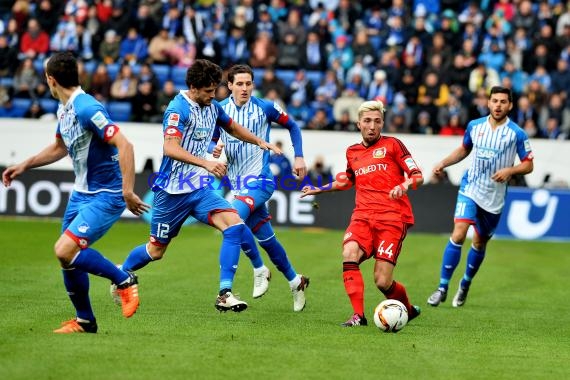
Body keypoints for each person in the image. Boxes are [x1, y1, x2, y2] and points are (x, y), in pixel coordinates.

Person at [116, 59, 281, 312]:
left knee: (235, 225)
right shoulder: (177, 109)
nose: (213, 95)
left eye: (215, 90)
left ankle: (224, 293)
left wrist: (260, 142)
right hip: (172, 192)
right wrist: (205, 162)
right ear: (193, 87)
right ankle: (121, 273)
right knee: (156, 251)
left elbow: (233, 128)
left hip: (200, 189)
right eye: (208, 91)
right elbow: (170, 148)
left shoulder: (212, 107)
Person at [1, 52, 148, 334]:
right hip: (81, 194)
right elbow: (59, 147)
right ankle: (85, 321)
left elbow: (125, 145)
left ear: (51, 80)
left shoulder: (86, 107)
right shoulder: (65, 109)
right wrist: (25, 164)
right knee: (67, 258)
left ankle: (124, 280)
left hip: (106, 194)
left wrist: (127, 191)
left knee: (64, 249)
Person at [301, 100, 423, 326]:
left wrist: (403, 186)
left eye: (377, 121)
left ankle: (406, 308)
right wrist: (320, 188)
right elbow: (348, 179)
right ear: (358, 124)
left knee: (382, 281)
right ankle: (359, 315)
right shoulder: (353, 152)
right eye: (367, 121)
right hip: (363, 216)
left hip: (392, 218)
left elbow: (417, 176)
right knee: (349, 252)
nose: (372, 126)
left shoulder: (394, 145)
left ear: (383, 123)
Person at [213, 64, 310, 312]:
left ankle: (236, 283)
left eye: (249, 84)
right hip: (237, 184)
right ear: (230, 85)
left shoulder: (264, 107)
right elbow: (212, 142)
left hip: (261, 180)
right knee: (266, 239)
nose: (245, 88)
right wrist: (213, 153)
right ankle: (295, 281)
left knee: (232, 220)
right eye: (240, 84)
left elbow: (293, 126)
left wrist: (298, 156)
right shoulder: (219, 110)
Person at [427, 86, 534, 308]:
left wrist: (510, 171)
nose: (498, 105)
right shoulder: (475, 126)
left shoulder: (517, 134)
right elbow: (464, 149)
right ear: (488, 103)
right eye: (494, 101)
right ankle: (442, 287)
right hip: (471, 188)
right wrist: (443, 163)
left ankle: (465, 283)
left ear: (510, 105)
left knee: (479, 242)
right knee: (458, 233)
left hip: (494, 198)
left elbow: (528, 165)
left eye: (503, 101)